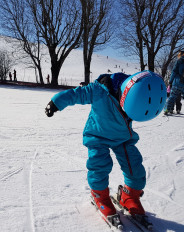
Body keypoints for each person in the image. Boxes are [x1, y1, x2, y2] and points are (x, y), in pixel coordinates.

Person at [45, 71, 166, 224]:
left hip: (122, 137)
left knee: (135, 166)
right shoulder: (99, 90)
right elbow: (76, 94)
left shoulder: (138, 92)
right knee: (99, 166)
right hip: (98, 136)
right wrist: (56, 102)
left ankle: (129, 196)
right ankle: (100, 196)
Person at [164, 51, 184, 115]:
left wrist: (170, 81)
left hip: (177, 82)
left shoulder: (179, 61)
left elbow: (174, 72)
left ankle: (167, 109)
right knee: (178, 97)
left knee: (172, 96)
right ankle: (178, 109)